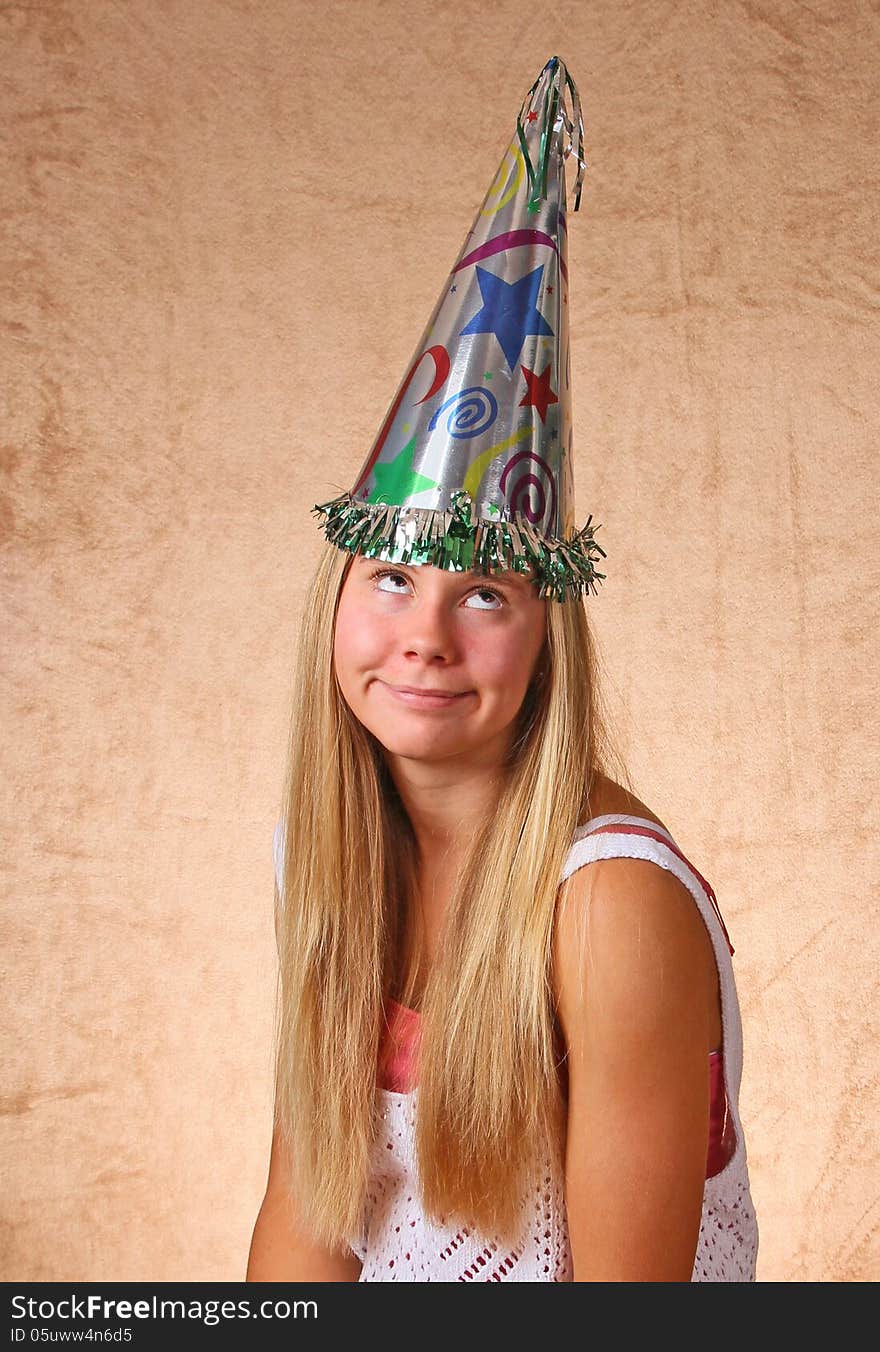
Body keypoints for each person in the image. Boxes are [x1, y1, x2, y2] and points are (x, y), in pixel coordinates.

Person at [247, 56, 758, 1282]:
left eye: (484, 590)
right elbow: (302, 1226)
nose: (424, 634)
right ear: (337, 600)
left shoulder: (607, 907)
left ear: (547, 635)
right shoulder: (323, 846)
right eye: (389, 578)